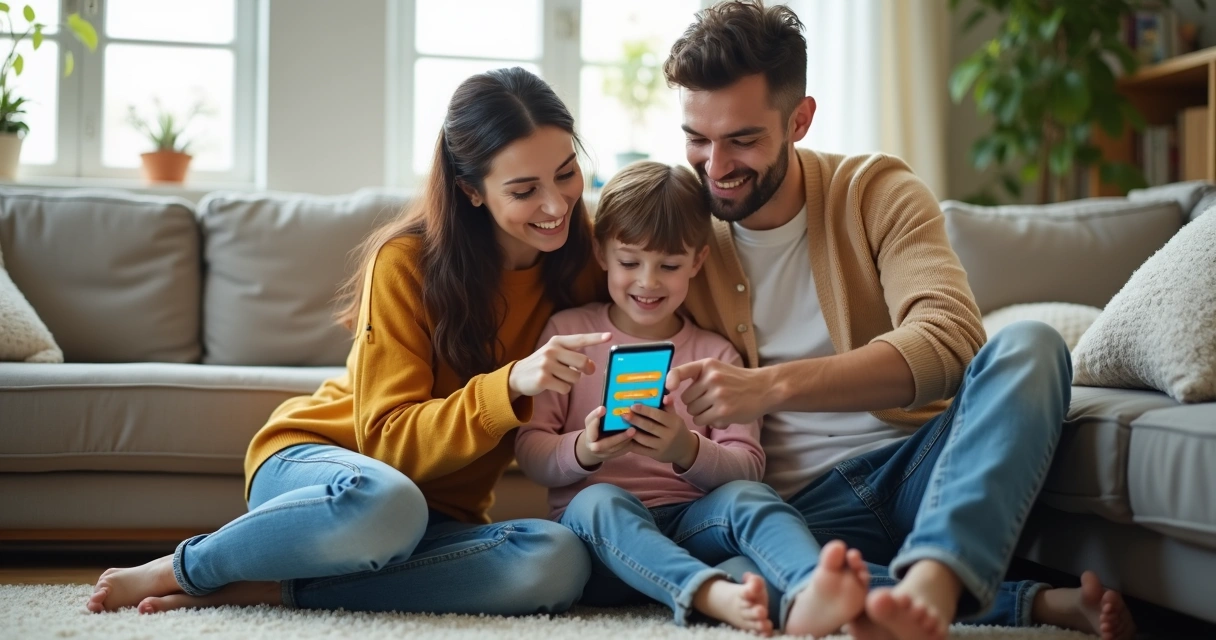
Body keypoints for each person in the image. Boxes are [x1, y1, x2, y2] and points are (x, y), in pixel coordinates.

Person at [661, 2, 1136, 639]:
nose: (715, 167)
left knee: (1031, 345)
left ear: (800, 119)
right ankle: (1025, 604)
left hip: (921, 470)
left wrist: (771, 385)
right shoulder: (674, 224)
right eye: (697, 138)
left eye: (742, 139)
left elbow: (948, 341)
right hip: (794, 514)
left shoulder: (874, 189)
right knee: (750, 581)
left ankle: (933, 585)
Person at [86, 67, 609, 617]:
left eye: (567, 174)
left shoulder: (585, 263)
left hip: (438, 520)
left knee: (558, 559)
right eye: (524, 190)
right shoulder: (407, 262)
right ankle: (182, 569)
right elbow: (386, 441)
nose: (556, 205)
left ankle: (274, 590)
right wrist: (510, 385)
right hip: (332, 478)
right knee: (388, 505)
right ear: (471, 190)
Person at [516, 161, 874, 637]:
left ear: (697, 263)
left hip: (691, 526)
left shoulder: (715, 355)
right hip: (601, 547)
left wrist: (684, 450)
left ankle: (812, 590)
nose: (648, 282)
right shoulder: (568, 334)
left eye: (669, 265)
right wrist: (583, 448)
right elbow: (531, 452)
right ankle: (705, 591)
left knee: (751, 504)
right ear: (602, 253)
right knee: (597, 500)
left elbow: (748, 467)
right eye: (629, 262)